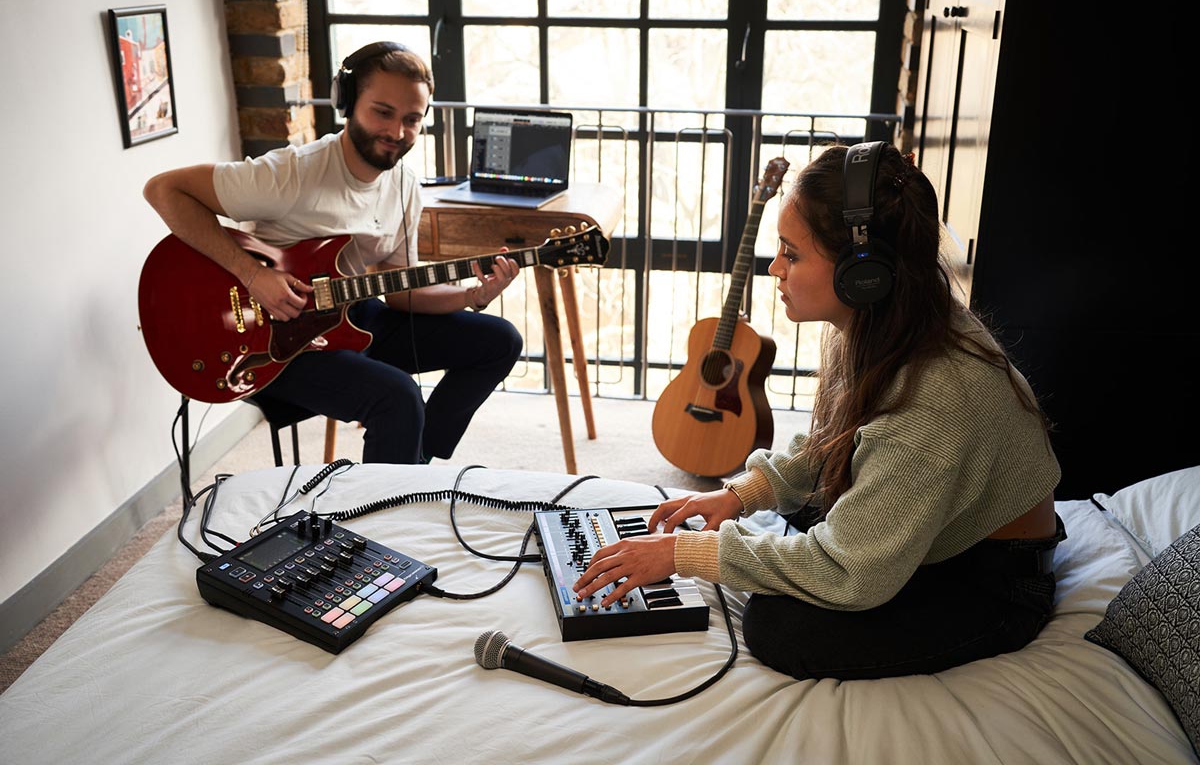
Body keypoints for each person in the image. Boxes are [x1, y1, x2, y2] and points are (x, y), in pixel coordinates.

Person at [574, 141, 1064, 681]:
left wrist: (681, 554)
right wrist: (739, 495)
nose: (774, 268)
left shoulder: (936, 398)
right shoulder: (885, 320)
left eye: (791, 253)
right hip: (940, 526)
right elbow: (835, 441)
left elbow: (850, 572)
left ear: (863, 272)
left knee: (780, 629)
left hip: (992, 577)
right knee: (798, 524)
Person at [143, 42, 523, 465]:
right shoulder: (292, 173)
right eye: (383, 112)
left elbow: (401, 293)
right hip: (277, 342)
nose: (397, 132)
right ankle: (392, 498)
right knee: (397, 398)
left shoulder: (404, 186)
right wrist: (253, 275)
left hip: (352, 316)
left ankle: (417, 468)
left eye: (412, 119)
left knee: (499, 341)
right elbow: (164, 190)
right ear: (347, 102)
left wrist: (472, 295)